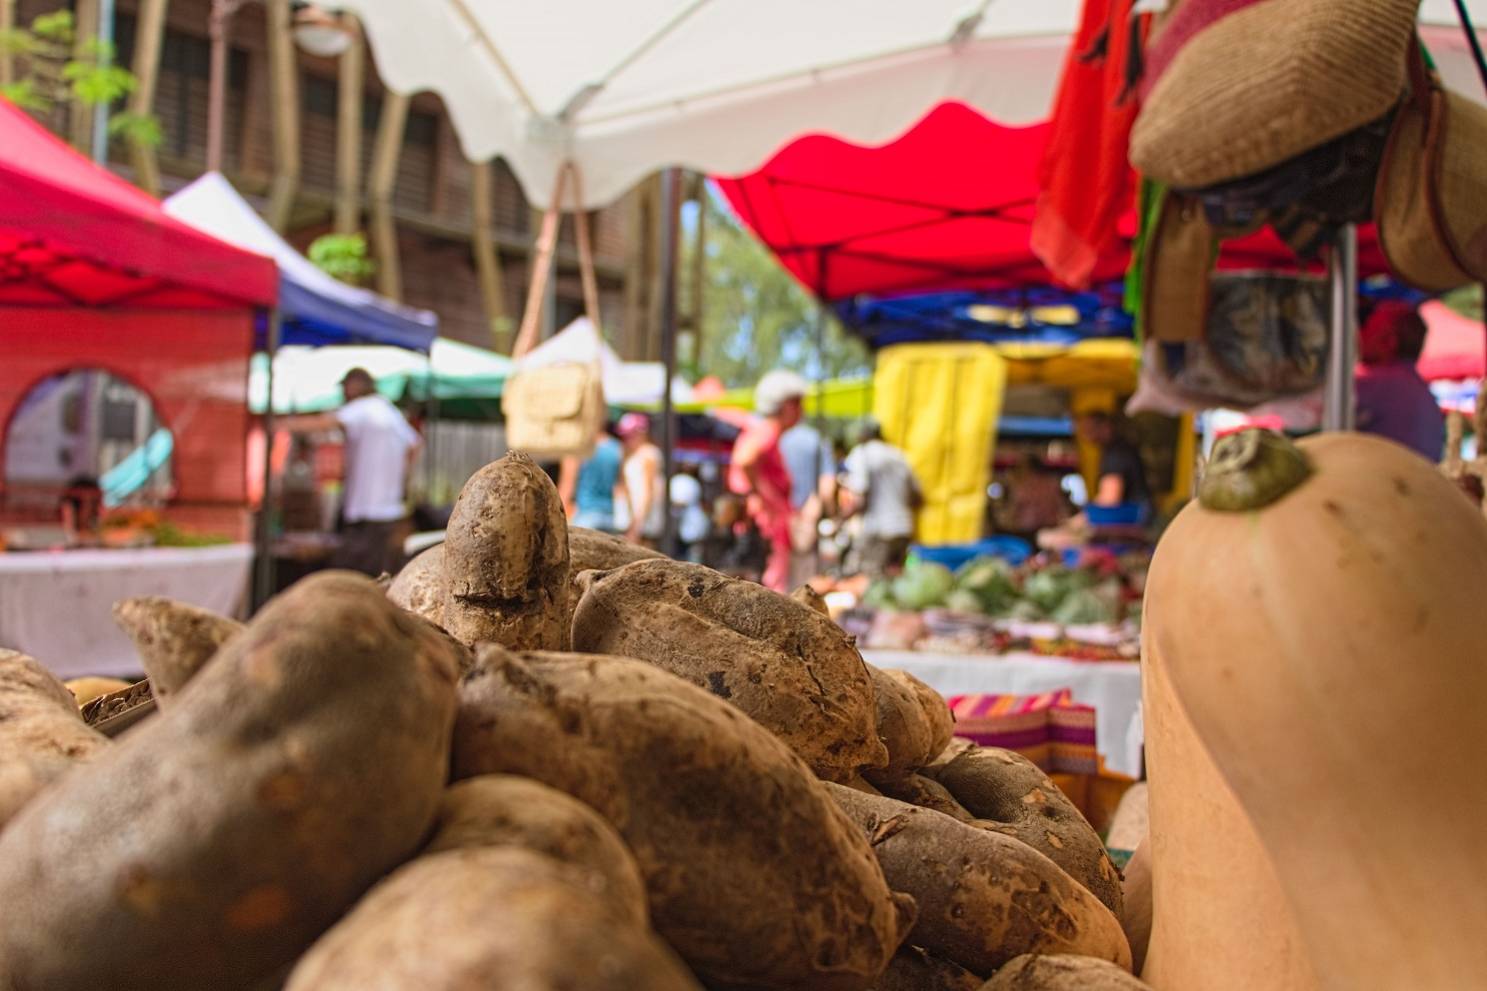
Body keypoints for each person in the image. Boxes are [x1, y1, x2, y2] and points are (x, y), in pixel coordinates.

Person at [283, 367, 420, 576]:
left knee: (348, 579)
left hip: (366, 513)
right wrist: (400, 479)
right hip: (388, 511)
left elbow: (325, 423)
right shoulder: (390, 412)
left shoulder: (363, 408)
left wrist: (279, 425)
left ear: (354, 386)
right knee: (378, 577)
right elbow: (414, 445)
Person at [729, 369, 807, 592]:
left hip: (769, 528)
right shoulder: (767, 431)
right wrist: (765, 496)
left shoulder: (764, 432)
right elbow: (745, 460)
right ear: (785, 406)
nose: (801, 411)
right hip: (766, 529)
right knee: (772, 588)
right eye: (797, 404)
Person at [1355, 302, 1445, 462]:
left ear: (1389, 341)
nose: (1361, 334)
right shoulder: (1422, 391)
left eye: (1369, 327)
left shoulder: (1380, 384)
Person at [839, 418, 923, 578]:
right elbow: (918, 497)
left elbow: (860, 495)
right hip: (903, 528)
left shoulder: (861, 454)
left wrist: (842, 518)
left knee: (871, 582)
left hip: (878, 530)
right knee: (895, 582)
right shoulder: (898, 455)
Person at [779, 419, 836, 585]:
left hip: (779, 515)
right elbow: (827, 485)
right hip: (808, 512)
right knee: (804, 577)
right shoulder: (816, 439)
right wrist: (830, 513)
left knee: (779, 574)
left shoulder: (778, 438)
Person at [1075, 411, 1151, 517]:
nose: (1085, 435)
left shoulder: (1117, 453)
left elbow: (1110, 497)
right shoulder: (1118, 448)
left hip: (1132, 518)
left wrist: (1082, 518)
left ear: (1105, 426)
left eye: (1089, 429)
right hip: (1136, 514)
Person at [557, 423, 623, 533]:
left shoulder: (577, 448)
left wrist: (556, 516)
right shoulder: (617, 448)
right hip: (611, 516)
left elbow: (567, 485)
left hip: (586, 515)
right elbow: (620, 486)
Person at [616, 412, 665, 547]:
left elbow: (649, 490)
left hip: (644, 519)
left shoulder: (649, 453)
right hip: (631, 517)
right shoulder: (630, 454)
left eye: (631, 435)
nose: (627, 439)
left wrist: (638, 523)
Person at [669, 464, 711, 562]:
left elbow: (680, 502)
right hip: (684, 529)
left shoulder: (685, 481)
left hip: (689, 529)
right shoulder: (688, 481)